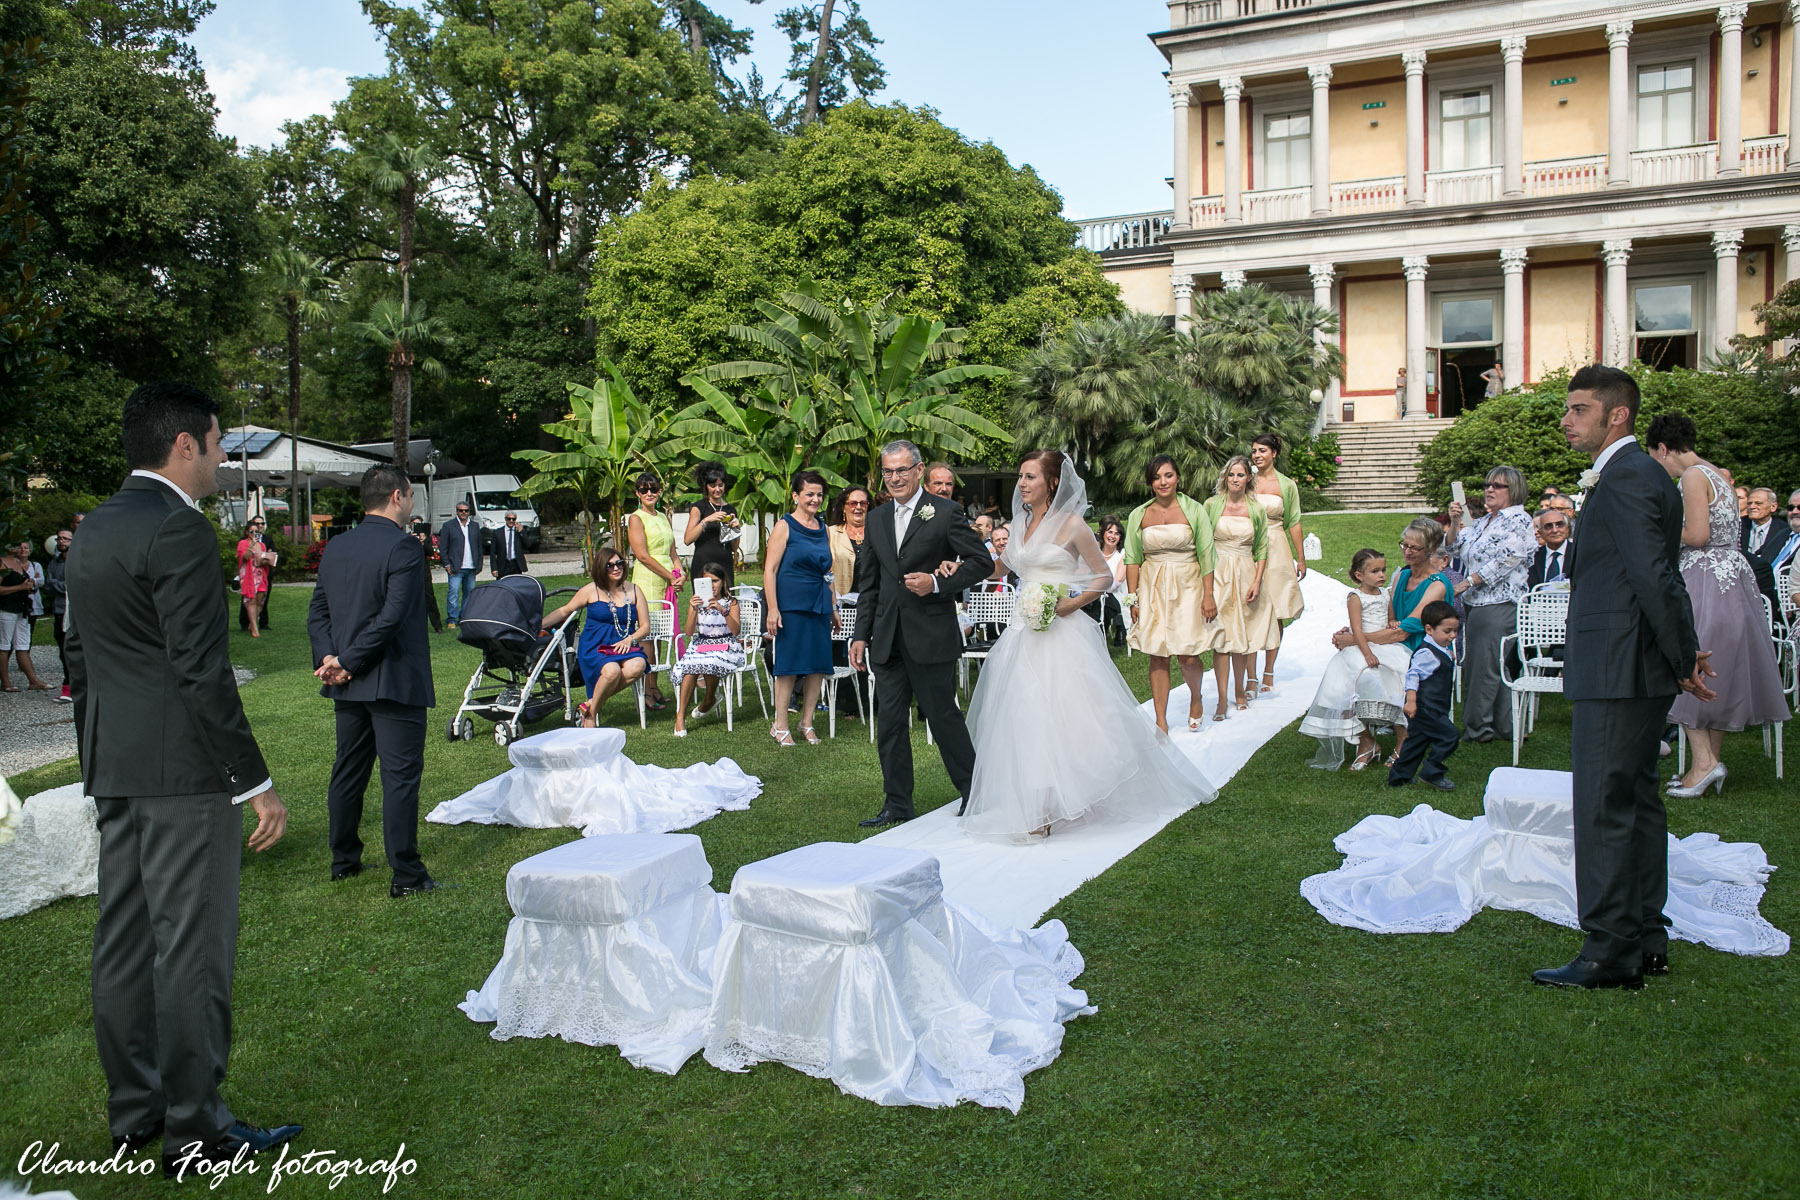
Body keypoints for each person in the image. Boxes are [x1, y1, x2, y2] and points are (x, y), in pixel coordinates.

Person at [65, 380, 297, 1176]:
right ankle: (197, 1134)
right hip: (183, 777)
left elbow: (79, 663)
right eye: (220, 442)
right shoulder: (180, 530)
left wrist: (100, 756)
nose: (225, 458)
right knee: (190, 952)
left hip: (117, 769)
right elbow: (202, 673)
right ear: (185, 445)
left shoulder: (93, 529)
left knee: (124, 945)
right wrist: (253, 781)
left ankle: (136, 1115)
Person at [1533, 365, 1712, 991]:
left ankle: (1609, 948)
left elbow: (1656, 577)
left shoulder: (1630, 477)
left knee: (1606, 806)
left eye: (1579, 409)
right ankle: (1644, 935)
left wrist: (1683, 656)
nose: (1566, 419)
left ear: (1618, 415)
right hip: (1629, 662)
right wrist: (1681, 655)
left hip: (1619, 666)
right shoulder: (1631, 476)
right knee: (1636, 801)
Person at [961, 451, 1215, 841]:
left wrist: (1072, 603)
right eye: (1021, 477)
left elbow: (1100, 576)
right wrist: (960, 568)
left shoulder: (1072, 525)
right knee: (1025, 716)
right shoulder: (1019, 524)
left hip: (1061, 632)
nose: (1022, 484)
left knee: (1067, 717)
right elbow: (1004, 567)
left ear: (1051, 482)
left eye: (1030, 477)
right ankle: (1038, 803)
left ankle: (1068, 794)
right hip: (1021, 631)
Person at [308, 463, 439, 898]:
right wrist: (344, 660)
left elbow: (319, 613)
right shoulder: (403, 548)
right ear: (398, 496)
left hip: (348, 681)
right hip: (390, 678)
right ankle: (406, 874)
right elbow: (392, 617)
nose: (413, 503)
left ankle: (344, 860)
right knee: (398, 778)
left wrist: (331, 658)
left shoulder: (336, 546)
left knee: (349, 770)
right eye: (411, 495)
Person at [850, 440, 993, 826]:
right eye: (888, 472)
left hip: (931, 635)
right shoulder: (876, 519)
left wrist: (936, 582)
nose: (895, 478)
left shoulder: (945, 512)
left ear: (918, 470)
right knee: (890, 724)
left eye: (902, 470)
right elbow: (870, 583)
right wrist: (860, 635)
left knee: (942, 716)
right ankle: (897, 805)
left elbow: (981, 562)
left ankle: (973, 792)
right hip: (887, 639)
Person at [1645, 413, 1789, 797]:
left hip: (1704, 576)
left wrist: (1654, 529)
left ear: (1662, 448)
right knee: (1718, 670)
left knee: (1686, 658)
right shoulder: (1715, 473)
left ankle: (1705, 764)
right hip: (1730, 576)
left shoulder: (1692, 476)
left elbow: (1696, 533)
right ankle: (1703, 767)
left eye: (1656, 459)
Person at [1123, 455, 1217, 733]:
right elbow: (1131, 558)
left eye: (1168, 476)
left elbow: (1207, 554)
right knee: (1158, 653)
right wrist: (1133, 598)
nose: (1162, 482)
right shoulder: (1139, 514)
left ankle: (1196, 697)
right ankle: (1160, 720)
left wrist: (1208, 595)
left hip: (1188, 585)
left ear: (1177, 478)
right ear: (1150, 482)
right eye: (1156, 477)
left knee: (1187, 654)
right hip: (1152, 587)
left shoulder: (1194, 510)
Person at [1444, 465, 1536, 743]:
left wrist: (1468, 582)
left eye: (1498, 485)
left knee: (1483, 667)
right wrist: (1456, 522)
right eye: (1487, 484)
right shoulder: (1485, 521)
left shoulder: (1518, 520)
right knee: (1491, 663)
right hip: (1477, 603)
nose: (1490, 489)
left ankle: (1477, 729)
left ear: (1514, 490)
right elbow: (1452, 548)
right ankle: (1503, 726)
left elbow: (1507, 560)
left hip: (1500, 602)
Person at [1300, 549, 1412, 770]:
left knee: (1397, 680)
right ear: (1360, 575)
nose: (1381, 575)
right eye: (1375, 571)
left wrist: (1392, 622)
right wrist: (1367, 653)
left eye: (1383, 570)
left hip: (1386, 645)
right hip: (1361, 646)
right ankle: (1365, 740)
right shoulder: (1355, 597)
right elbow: (1357, 630)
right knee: (1341, 686)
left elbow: (1389, 616)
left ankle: (1403, 737)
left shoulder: (1385, 594)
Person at [764, 470, 835, 746]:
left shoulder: (823, 528)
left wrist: (833, 607)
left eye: (819, 495)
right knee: (789, 665)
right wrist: (773, 608)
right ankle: (780, 724)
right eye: (809, 494)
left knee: (817, 665)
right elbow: (769, 570)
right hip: (790, 604)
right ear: (795, 495)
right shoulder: (785, 526)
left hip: (819, 603)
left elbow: (828, 572)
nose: (815, 499)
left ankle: (807, 722)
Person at [543, 548, 650, 727]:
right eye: (610, 566)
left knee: (638, 666)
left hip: (624, 644)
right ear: (601, 568)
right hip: (596, 646)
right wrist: (539, 624)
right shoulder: (591, 590)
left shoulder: (634, 590)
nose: (616, 568)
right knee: (612, 671)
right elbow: (564, 610)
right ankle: (592, 714)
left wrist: (629, 640)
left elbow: (645, 627)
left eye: (619, 564)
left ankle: (590, 706)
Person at [1201, 455, 1270, 718]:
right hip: (1218, 573)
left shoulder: (1256, 508)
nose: (1235, 479)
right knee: (1222, 638)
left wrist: (1257, 580)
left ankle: (1239, 690)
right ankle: (1221, 698)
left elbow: (1262, 547)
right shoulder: (1211, 505)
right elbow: (1203, 543)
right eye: (1231, 474)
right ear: (1225, 477)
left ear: (1249, 478)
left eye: (1240, 475)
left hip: (1244, 571)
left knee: (1240, 636)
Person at [1248, 433, 1307, 699]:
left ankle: (1269, 670)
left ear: (1274, 453)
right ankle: (1250, 675)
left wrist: (1301, 557)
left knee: (1277, 610)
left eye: (1262, 450)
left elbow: (1293, 521)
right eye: (1254, 451)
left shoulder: (1286, 485)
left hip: (1277, 548)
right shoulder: (1245, 481)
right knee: (1249, 610)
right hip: (1247, 548)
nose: (1257, 455)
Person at [1386, 600, 1462, 791]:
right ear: (1429, 629)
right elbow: (1413, 676)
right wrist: (1411, 701)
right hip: (1426, 708)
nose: (1452, 636)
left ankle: (1399, 777)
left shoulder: (1438, 650)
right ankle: (1432, 772)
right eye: (1447, 631)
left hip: (1432, 707)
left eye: (1455, 631)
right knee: (1449, 735)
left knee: (1416, 742)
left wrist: (1447, 655)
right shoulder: (1426, 653)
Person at [670, 562, 745, 737]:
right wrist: (694, 610)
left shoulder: (730, 602)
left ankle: (710, 698)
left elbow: (735, 631)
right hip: (702, 643)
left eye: (715, 581)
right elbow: (688, 632)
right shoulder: (696, 602)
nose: (712, 586)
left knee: (711, 660)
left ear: (723, 581)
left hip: (725, 644)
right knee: (690, 665)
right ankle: (680, 716)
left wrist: (722, 610)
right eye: (707, 582)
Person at [625, 471, 681, 709]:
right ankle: (646, 690)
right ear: (638, 493)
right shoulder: (636, 518)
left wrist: (680, 573)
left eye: (654, 489)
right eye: (644, 490)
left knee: (660, 636)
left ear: (659, 492)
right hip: (648, 579)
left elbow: (673, 552)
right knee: (648, 634)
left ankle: (655, 685)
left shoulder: (662, 517)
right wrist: (670, 575)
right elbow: (642, 555)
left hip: (666, 581)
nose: (649, 493)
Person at [683, 460, 741, 589]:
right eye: (713, 486)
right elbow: (687, 539)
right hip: (703, 564)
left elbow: (734, 547)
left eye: (720, 485)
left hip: (724, 563)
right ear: (706, 486)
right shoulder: (699, 508)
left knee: (727, 604)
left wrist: (736, 529)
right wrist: (707, 520)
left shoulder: (730, 510)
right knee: (703, 603)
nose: (717, 489)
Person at [1740, 487, 1795, 617]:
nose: (1752, 507)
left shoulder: (1783, 530)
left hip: (1768, 588)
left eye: (1758, 503)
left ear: (1773, 507)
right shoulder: (1739, 526)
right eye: (1749, 503)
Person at [0, 541, 46, 691]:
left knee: (23, 645)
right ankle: (6, 683)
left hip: (22, 608)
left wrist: (28, 588)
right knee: (4, 645)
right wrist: (20, 587)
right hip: (6, 608)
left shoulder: (17, 562)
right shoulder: (2, 563)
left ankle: (33, 680)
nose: (18, 548)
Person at [1084, 514, 1129, 646]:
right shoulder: (1095, 553)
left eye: (1117, 533)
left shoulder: (1123, 555)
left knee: (1099, 604)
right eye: (1110, 532)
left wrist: (1094, 590)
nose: (1112, 536)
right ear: (1103, 533)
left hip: (1115, 595)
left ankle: (1097, 639)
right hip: (1094, 594)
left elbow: (1117, 582)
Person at [438, 500, 483, 628]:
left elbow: (479, 547)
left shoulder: (474, 526)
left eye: (466, 511)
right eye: (460, 510)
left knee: (469, 593)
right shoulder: (448, 526)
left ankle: (464, 617)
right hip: (455, 567)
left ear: (469, 512)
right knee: (453, 592)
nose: (463, 513)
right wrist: (446, 564)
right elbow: (443, 547)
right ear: (456, 512)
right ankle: (452, 619)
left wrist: (479, 564)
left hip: (471, 566)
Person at [826, 484, 871, 598]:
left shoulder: (879, 532)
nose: (859, 507)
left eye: (863, 503)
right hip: (839, 604)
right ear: (843, 507)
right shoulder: (830, 534)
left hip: (873, 603)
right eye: (853, 503)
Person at [235, 517, 276, 637]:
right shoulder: (243, 543)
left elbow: (263, 561)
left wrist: (267, 558)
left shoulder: (262, 545)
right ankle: (254, 628)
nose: (254, 534)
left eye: (256, 531)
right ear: (247, 532)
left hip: (261, 575)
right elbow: (246, 557)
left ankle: (252, 623)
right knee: (251, 600)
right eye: (252, 531)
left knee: (260, 601)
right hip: (248, 576)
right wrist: (251, 545)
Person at [46, 528, 71, 701]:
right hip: (59, 610)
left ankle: (73, 686)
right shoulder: (53, 563)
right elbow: (48, 586)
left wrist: (58, 584)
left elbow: (71, 585)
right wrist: (59, 585)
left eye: (65, 539)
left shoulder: (77, 561)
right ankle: (68, 686)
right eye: (59, 539)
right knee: (62, 651)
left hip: (73, 612)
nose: (60, 541)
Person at [409, 521, 444, 633]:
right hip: (411, 574)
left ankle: (437, 626)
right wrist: (411, 540)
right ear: (410, 525)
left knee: (430, 599)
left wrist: (423, 542)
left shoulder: (427, 538)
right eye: (414, 524)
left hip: (424, 574)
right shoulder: (406, 538)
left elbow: (430, 553)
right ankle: (415, 626)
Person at [1526, 508, 1573, 587]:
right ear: (1540, 532)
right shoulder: (1532, 557)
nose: (1555, 530)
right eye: (1548, 526)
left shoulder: (1579, 554)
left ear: (1567, 529)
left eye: (1559, 525)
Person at [488, 512, 529, 579]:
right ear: (505, 519)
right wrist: (494, 568)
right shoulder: (497, 533)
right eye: (509, 519)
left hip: (515, 564)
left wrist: (521, 532)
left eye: (513, 519)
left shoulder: (518, 532)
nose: (511, 521)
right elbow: (492, 552)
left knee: (516, 585)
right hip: (503, 564)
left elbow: (528, 544)